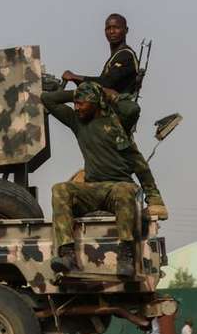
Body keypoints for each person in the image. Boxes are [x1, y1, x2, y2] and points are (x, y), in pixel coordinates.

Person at [61, 13, 168, 220]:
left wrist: (76, 77)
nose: (112, 31)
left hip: (119, 115)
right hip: (108, 116)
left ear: (126, 30)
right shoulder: (115, 56)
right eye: (108, 28)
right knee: (111, 155)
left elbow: (106, 82)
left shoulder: (125, 55)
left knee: (130, 154)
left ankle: (154, 198)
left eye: (116, 27)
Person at [42, 82, 141, 274]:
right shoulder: (77, 121)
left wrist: (107, 93)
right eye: (75, 103)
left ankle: (126, 255)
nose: (76, 107)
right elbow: (47, 99)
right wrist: (78, 93)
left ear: (95, 102)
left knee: (124, 190)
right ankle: (67, 255)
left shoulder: (115, 121)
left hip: (116, 188)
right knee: (60, 188)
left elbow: (133, 109)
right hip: (93, 189)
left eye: (81, 103)